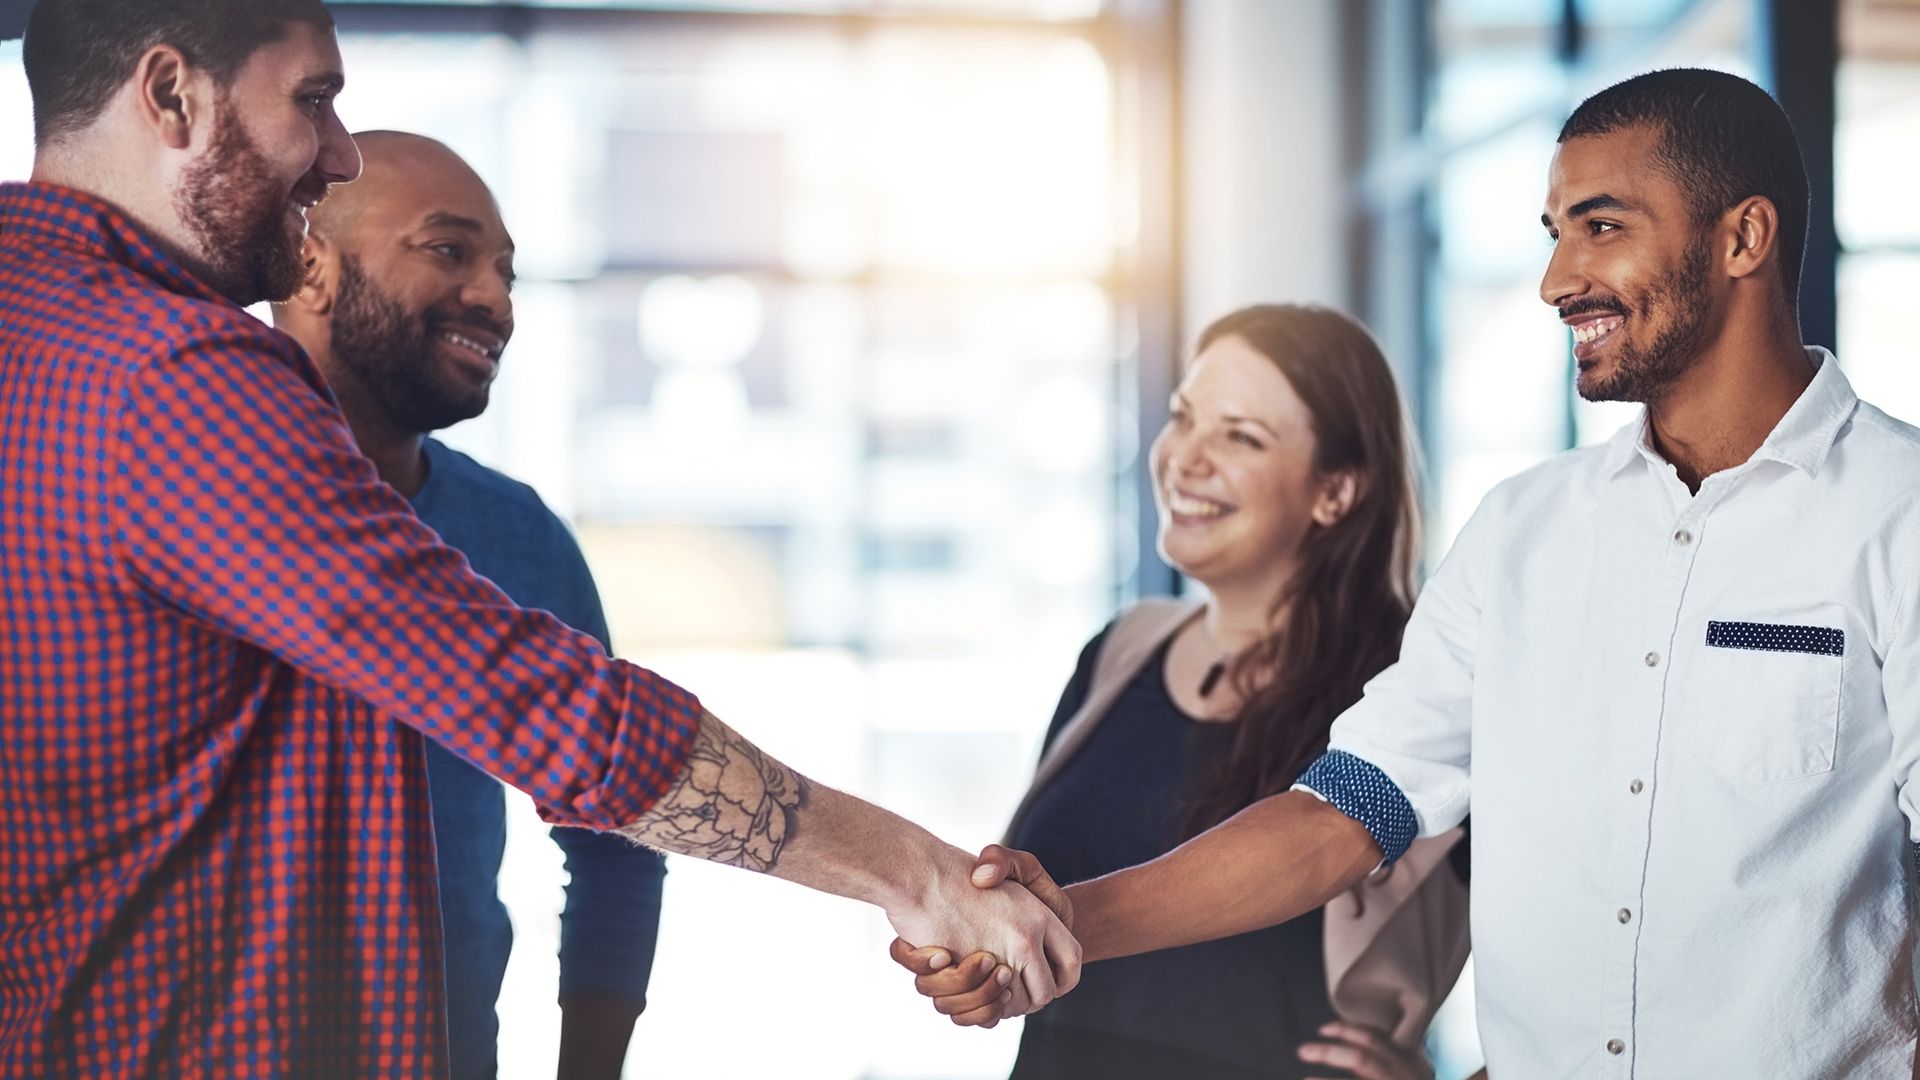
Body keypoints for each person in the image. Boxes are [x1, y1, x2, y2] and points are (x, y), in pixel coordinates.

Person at [0, 3, 1076, 1076]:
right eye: (314, 100)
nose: (334, 152)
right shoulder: (182, 376)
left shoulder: (31, 326)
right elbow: (553, 712)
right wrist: (918, 878)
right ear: (172, 94)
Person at [905, 67, 1920, 1078]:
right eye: (1554, 232)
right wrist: (1058, 922)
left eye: (1601, 227)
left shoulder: (1899, 511)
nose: (1557, 279)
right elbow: (1343, 814)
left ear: (1744, 237)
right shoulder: (1523, 532)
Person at [963, 304, 1465, 1080]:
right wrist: (988, 956)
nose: (1185, 458)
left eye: (1240, 437)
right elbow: (1035, 920)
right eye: (1184, 417)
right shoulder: (1121, 653)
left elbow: (1598, 956)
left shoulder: (1418, 696)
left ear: (1336, 491)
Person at [270, 130, 661, 1080]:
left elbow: (617, 838)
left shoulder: (517, 533)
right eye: (448, 250)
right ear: (312, 266)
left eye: (509, 275)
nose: (495, 302)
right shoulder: (180, 493)